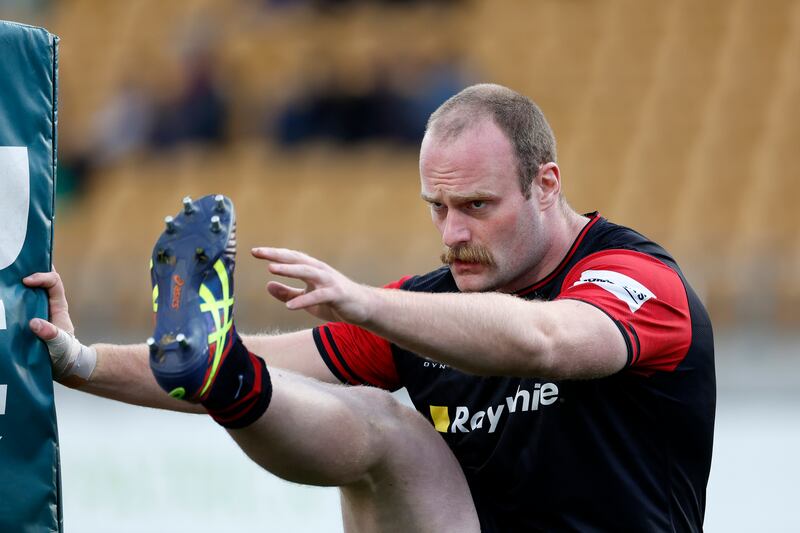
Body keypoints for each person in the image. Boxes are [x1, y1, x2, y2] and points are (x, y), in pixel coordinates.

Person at [24, 83, 715, 532]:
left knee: (390, 425)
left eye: (477, 206)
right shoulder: (427, 305)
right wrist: (81, 360)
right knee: (382, 428)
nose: (453, 235)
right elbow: (273, 362)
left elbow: (546, 339)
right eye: (437, 208)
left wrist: (363, 304)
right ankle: (230, 390)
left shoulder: (635, 279)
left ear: (545, 184)